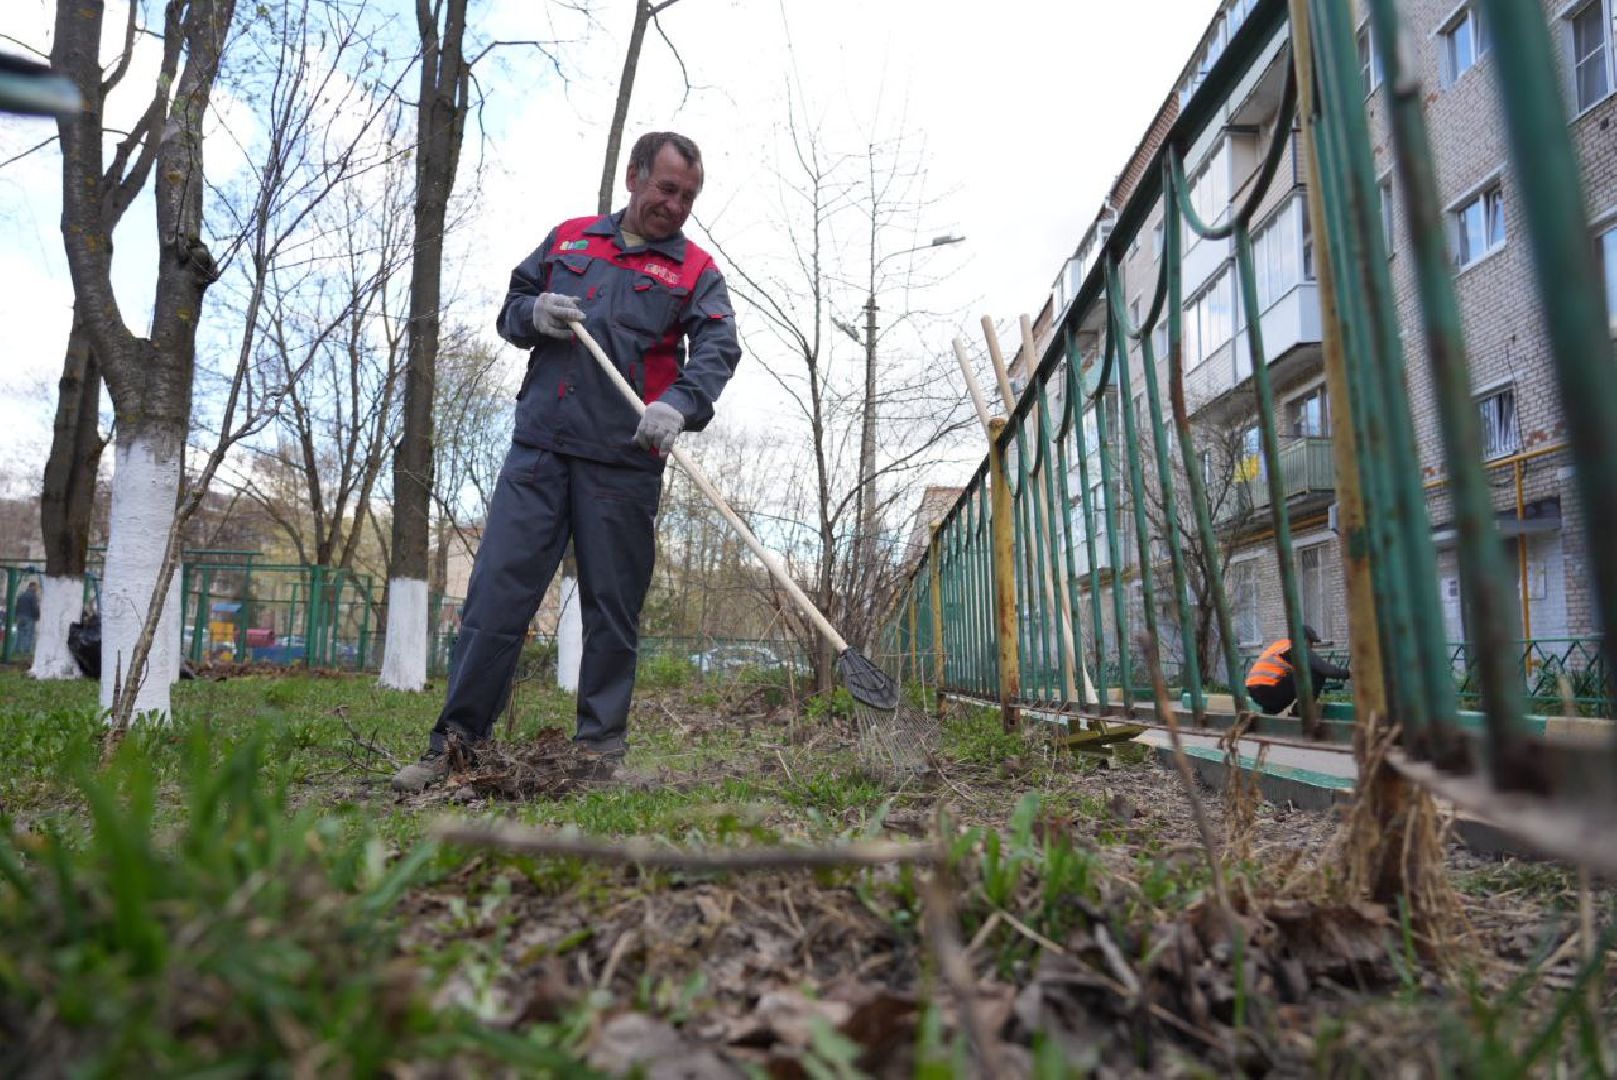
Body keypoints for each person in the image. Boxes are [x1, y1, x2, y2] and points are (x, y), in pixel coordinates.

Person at [392, 132, 741, 793]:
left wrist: (681, 404)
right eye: (666, 189)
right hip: (541, 451)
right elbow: (510, 308)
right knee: (495, 598)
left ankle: (597, 758)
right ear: (635, 177)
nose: (676, 205)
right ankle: (455, 750)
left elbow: (719, 348)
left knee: (612, 611)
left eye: (688, 196)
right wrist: (533, 311)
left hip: (624, 460)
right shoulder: (571, 239)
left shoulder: (696, 270)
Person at [1244, 624, 1350, 716]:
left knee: (1293, 673)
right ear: (1304, 640)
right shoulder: (1296, 647)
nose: (1311, 647)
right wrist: (1351, 674)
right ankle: (1301, 712)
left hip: (1255, 692)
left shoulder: (1280, 646)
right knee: (1316, 673)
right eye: (1311, 643)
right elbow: (1326, 670)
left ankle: (1269, 713)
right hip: (1269, 691)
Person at [13, 580, 39, 658]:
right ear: (32, 586)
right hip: (29, 617)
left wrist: (16, 616)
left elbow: (17, 606)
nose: (37, 589)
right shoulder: (33, 596)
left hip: (20, 617)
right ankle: (26, 650)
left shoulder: (21, 595)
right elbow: (34, 607)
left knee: (19, 634)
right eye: (36, 587)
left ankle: (17, 650)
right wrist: (37, 616)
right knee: (28, 634)